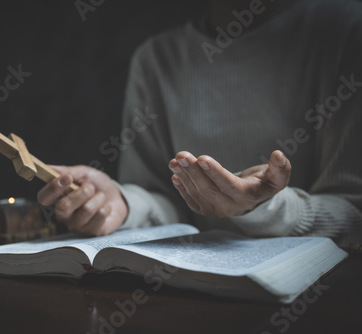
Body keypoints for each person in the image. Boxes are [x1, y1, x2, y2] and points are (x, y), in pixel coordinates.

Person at [37, 0, 362, 248]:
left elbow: (354, 212)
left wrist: (265, 206)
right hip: (187, 293)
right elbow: (163, 199)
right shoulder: (157, 59)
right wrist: (122, 204)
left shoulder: (346, 32)